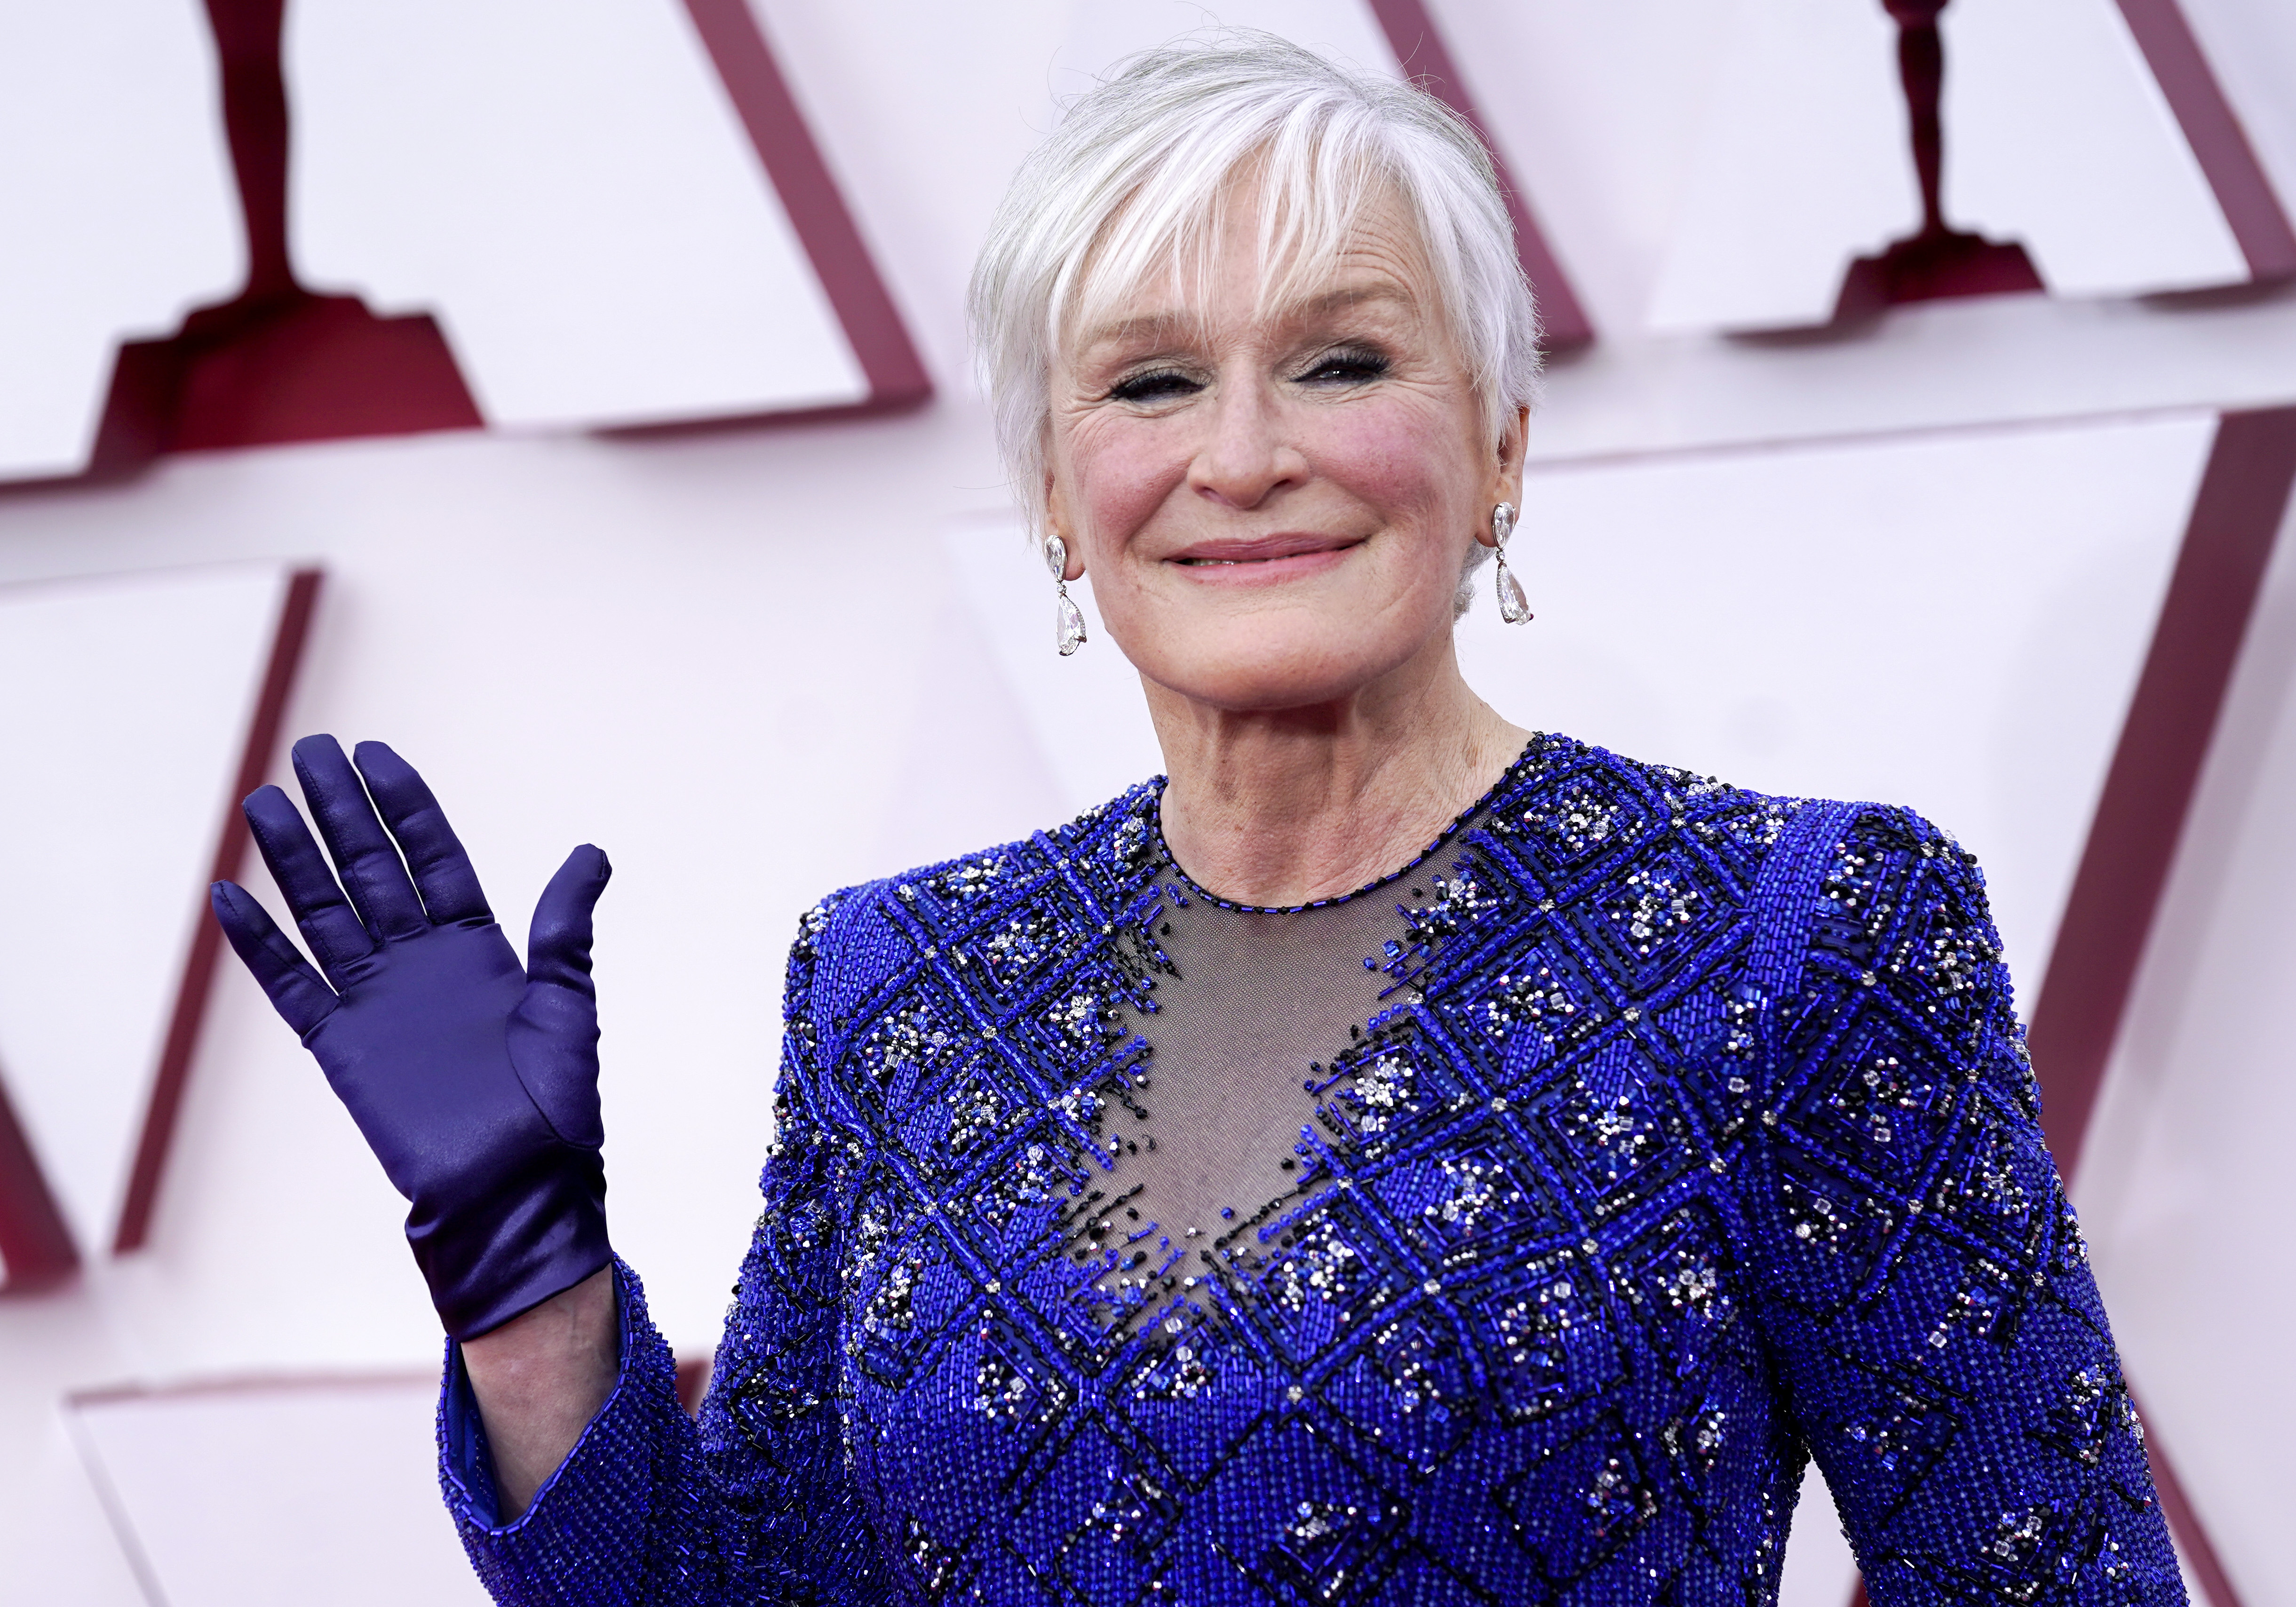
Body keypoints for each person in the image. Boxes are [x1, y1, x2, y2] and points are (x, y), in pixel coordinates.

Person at [211, 36, 2180, 1607]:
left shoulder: (1796, 935)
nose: (1245, 454)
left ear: (1501, 444)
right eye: (1152, 381)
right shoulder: (902, 981)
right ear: (1059, 497)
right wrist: (525, 1276)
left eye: (1343, 359)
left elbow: (2048, 1575)